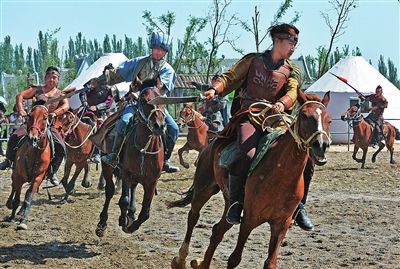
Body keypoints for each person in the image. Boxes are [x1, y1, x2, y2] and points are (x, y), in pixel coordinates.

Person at [203, 23, 313, 229]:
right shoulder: (252, 61)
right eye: (291, 42)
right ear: (277, 41)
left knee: (305, 157)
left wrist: (282, 103)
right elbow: (229, 77)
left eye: (296, 42)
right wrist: (214, 89)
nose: (294, 46)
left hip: (278, 120)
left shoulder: (293, 70)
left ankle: (300, 207)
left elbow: (292, 91)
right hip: (250, 116)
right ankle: (235, 203)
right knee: (246, 154)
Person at [91, 32, 180, 173]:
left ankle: (166, 160)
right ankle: (114, 155)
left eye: (162, 50)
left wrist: (139, 92)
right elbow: (117, 74)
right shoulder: (139, 62)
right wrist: (99, 80)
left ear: (165, 52)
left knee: (174, 128)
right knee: (124, 122)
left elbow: (159, 89)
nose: (158, 52)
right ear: (152, 48)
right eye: (156, 48)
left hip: (156, 105)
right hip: (135, 103)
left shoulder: (168, 70)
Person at [0, 66, 70, 186]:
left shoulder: (60, 94)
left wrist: (55, 113)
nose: (51, 80)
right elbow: (20, 96)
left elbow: (66, 106)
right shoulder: (37, 90)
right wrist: (21, 109)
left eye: (54, 78)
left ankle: (52, 172)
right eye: (49, 77)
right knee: (14, 136)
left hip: (48, 125)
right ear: (45, 78)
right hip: (32, 124)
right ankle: (8, 160)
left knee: (61, 147)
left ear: (58, 80)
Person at [79, 78, 120, 163]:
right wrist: (84, 101)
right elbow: (82, 92)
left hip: (101, 114)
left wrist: (97, 107)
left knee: (99, 128)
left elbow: (108, 103)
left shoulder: (109, 88)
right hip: (87, 110)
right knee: (73, 122)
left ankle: (96, 153)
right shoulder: (91, 82)